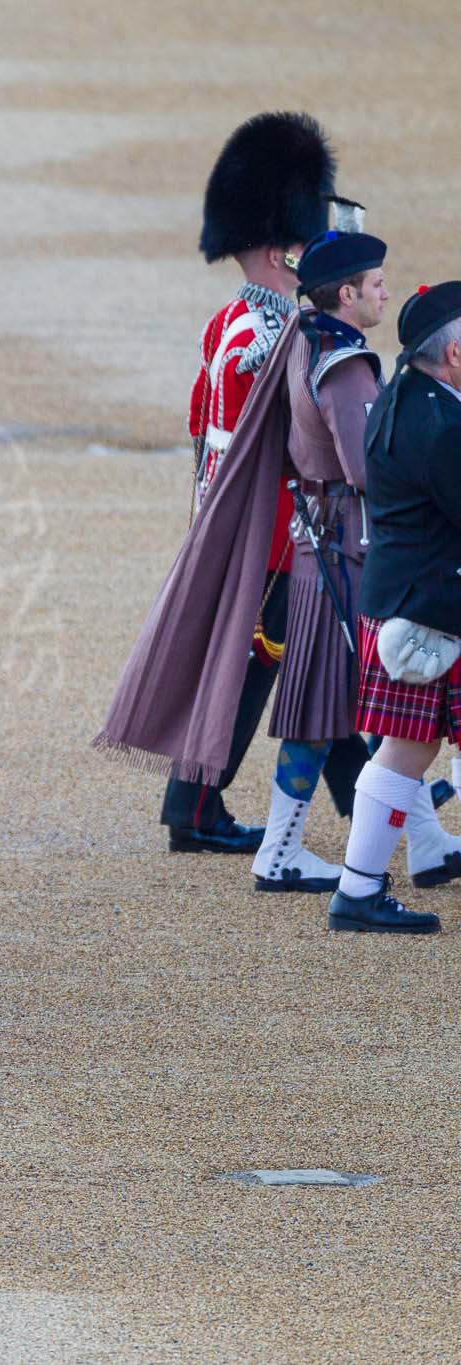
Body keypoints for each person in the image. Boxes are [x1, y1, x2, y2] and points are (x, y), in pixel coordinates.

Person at [253, 230, 461, 890]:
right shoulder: (344, 365)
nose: (383, 291)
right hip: (343, 548)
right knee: (326, 712)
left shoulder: (314, 341)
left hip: (343, 545)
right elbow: (370, 469)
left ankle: (423, 848)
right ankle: (281, 852)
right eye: (374, 283)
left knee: (399, 726)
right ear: (346, 294)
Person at [164, 112, 341, 856]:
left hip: (246, 522)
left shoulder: (230, 322)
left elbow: (197, 422)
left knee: (286, 665)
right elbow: (263, 443)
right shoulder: (266, 337)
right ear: (279, 250)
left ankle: (196, 804)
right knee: (255, 668)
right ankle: (198, 809)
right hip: (266, 530)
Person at [321, 282, 461, 935]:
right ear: (454, 354)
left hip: (406, 598)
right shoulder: (440, 425)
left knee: (407, 747)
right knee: (406, 748)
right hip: (431, 611)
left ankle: (357, 890)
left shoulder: (401, 399)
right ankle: (356, 893)